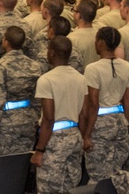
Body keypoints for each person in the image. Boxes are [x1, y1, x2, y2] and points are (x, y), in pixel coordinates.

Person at [32, 36, 87, 194]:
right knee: (70, 187)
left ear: (52, 52)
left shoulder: (46, 80)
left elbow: (48, 119)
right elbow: (84, 114)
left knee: (48, 187)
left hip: (54, 139)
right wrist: (82, 138)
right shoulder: (80, 78)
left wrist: (39, 150)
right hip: (75, 135)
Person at [81, 27, 129, 183]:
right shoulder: (126, 66)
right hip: (119, 120)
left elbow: (93, 104)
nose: (95, 44)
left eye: (96, 41)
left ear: (101, 43)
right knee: (117, 173)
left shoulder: (93, 69)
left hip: (99, 123)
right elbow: (128, 100)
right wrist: (126, 123)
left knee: (97, 175)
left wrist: (87, 135)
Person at [0, 25, 41, 159]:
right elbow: (38, 98)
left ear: (5, 42)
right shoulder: (35, 66)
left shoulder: (0, 66)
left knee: (0, 164)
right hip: (28, 120)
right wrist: (35, 118)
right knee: (22, 163)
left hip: (5, 123)